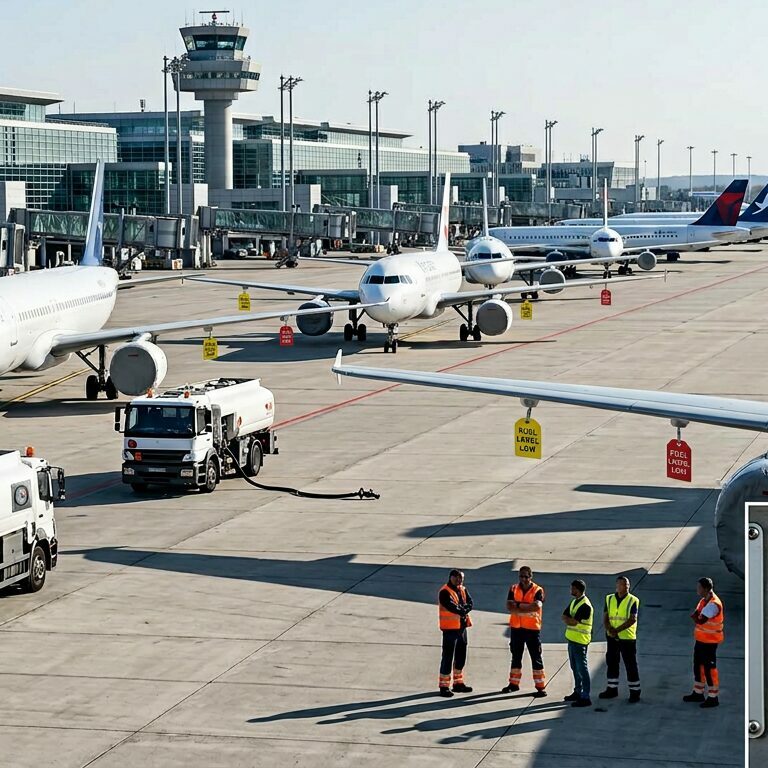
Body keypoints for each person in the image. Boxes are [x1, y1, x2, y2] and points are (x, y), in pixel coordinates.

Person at [502, 565, 546, 697]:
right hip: (517, 628)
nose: (523, 579)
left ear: (531, 577)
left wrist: (518, 606)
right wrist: (524, 607)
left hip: (532, 629)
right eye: (521, 576)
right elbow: (509, 606)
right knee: (516, 656)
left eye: (526, 576)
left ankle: (540, 687)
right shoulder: (513, 588)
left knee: (536, 657)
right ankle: (514, 684)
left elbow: (535, 606)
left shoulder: (538, 590)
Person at [599, 575, 641, 702]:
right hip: (612, 637)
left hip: (627, 637)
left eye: (627, 585)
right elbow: (605, 616)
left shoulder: (633, 600)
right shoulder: (609, 598)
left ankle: (635, 692)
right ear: (617, 585)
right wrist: (609, 629)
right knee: (612, 662)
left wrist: (616, 631)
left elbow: (632, 619)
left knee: (630, 664)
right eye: (623, 584)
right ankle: (612, 689)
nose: (626, 587)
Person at [683, 577, 724, 708]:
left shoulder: (713, 604)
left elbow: (700, 620)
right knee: (698, 666)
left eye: (699, 587)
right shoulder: (703, 601)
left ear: (706, 589)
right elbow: (696, 615)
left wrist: (697, 617)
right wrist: (697, 617)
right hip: (701, 640)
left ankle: (713, 697)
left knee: (709, 669)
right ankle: (698, 692)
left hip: (710, 642)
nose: (697, 589)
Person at [438, 569, 474, 698]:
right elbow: (451, 606)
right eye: (457, 578)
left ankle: (458, 682)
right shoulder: (445, 592)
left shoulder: (462, 589)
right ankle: (444, 686)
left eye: (461, 579)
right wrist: (463, 610)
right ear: (451, 577)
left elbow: (470, 602)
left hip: (461, 628)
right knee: (448, 656)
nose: (459, 581)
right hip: (450, 629)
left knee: (461, 656)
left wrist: (465, 608)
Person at [562, 579, 593, 707]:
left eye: (572, 588)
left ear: (577, 589)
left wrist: (568, 619)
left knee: (582, 668)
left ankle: (585, 696)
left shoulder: (585, 605)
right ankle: (578, 691)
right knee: (575, 667)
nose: (571, 590)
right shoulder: (575, 602)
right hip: (572, 640)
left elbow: (573, 621)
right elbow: (564, 616)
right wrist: (568, 619)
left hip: (580, 642)